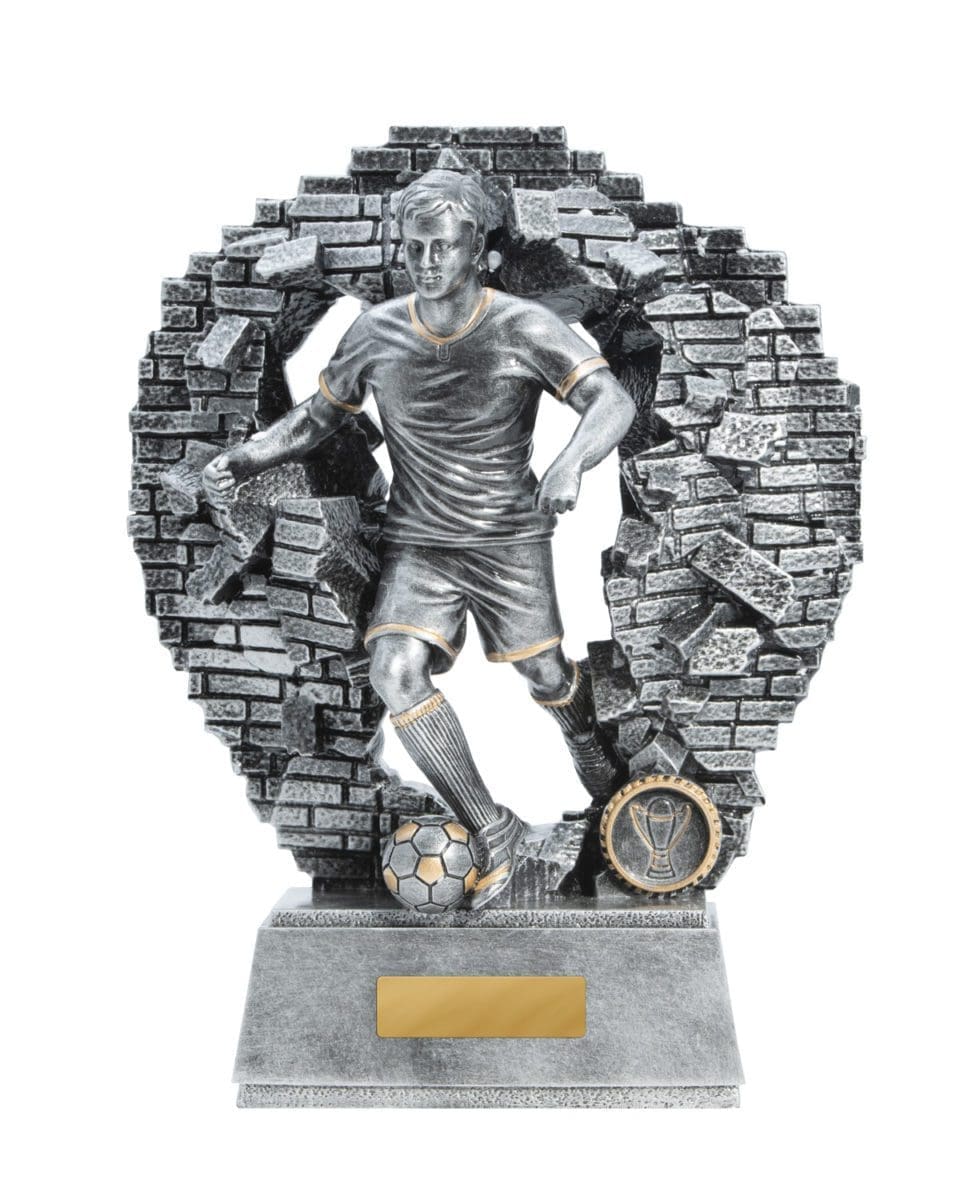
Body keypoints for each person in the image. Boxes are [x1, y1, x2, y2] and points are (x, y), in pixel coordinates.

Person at [204, 167, 637, 905]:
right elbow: (318, 418)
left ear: (478, 250)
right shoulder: (377, 330)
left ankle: (589, 745)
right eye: (414, 248)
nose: (428, 262)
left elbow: (612, 400)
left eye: (443, 246)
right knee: (394, 671)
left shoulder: (525, 325)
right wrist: (245, 458)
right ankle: (492, 828)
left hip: (507, 538)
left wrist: (570, 463)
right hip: (418, 543)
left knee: (545, 677)